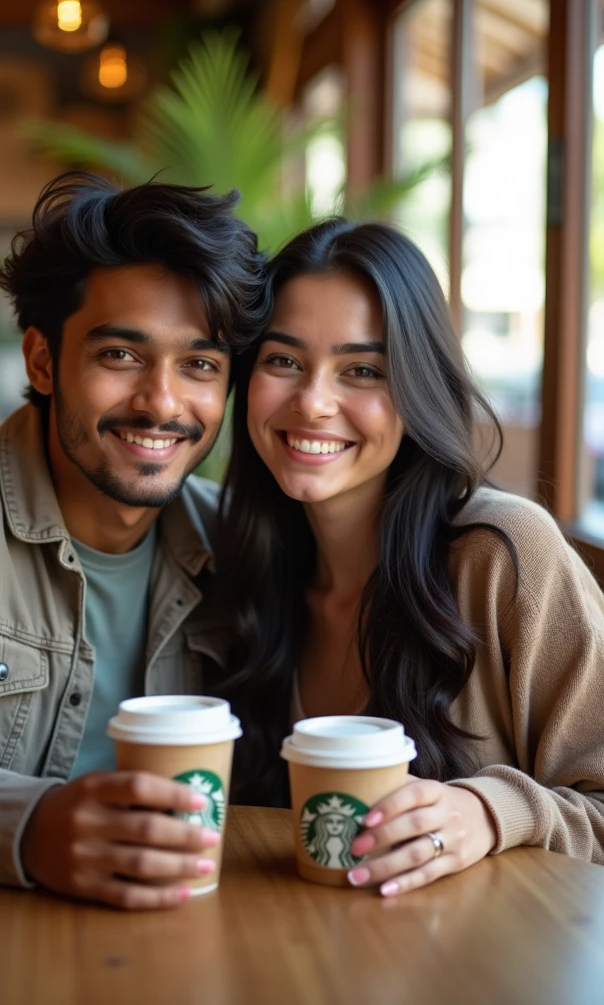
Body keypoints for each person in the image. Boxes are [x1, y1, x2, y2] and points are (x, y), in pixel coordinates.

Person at [218, 218, 604, 896]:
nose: (313, 401)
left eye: (362, 369)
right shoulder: (239, 563)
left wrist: (492, 812)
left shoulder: (502, 556)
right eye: (283, 361)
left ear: (418, 388)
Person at [0, 171, 268, 909]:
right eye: (121, 355)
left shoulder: (237, 546)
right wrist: (30, 826)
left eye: (200, 364)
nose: (162, 402)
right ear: (42, 361)